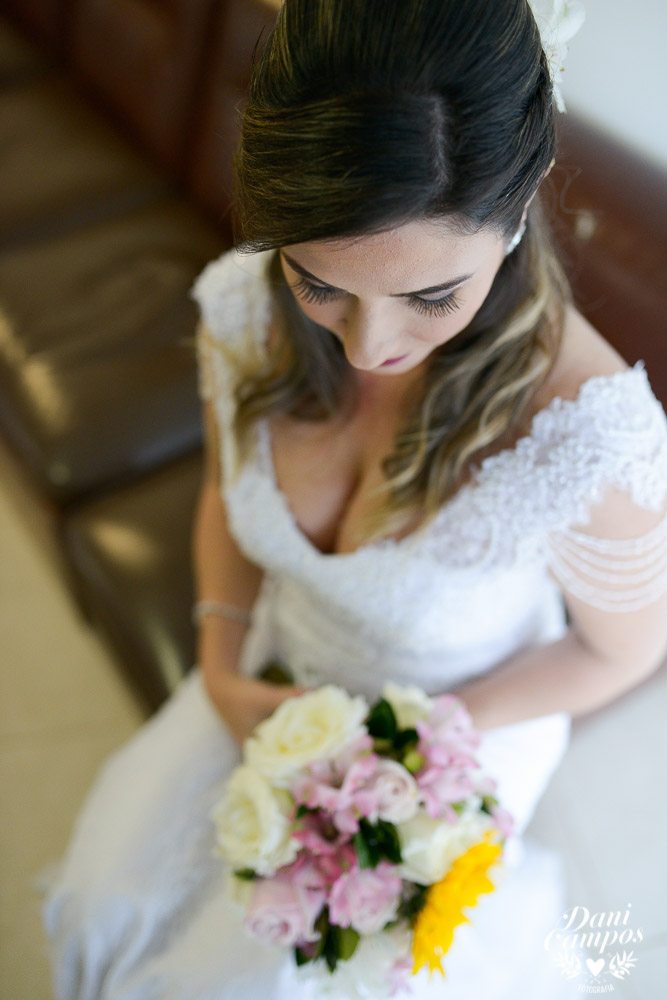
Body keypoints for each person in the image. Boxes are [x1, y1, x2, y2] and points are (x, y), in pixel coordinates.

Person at [41, 1, 667, 998]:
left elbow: (621, 647)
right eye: (319, 281)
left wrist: (423, 741)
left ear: (516, 211)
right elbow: (225, 496)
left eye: (431, 296)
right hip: (271, 675)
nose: (369, 346)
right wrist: (219, 668)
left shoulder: (586, 437)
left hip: (453, 730)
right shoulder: (244, 310)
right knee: (104, 898)